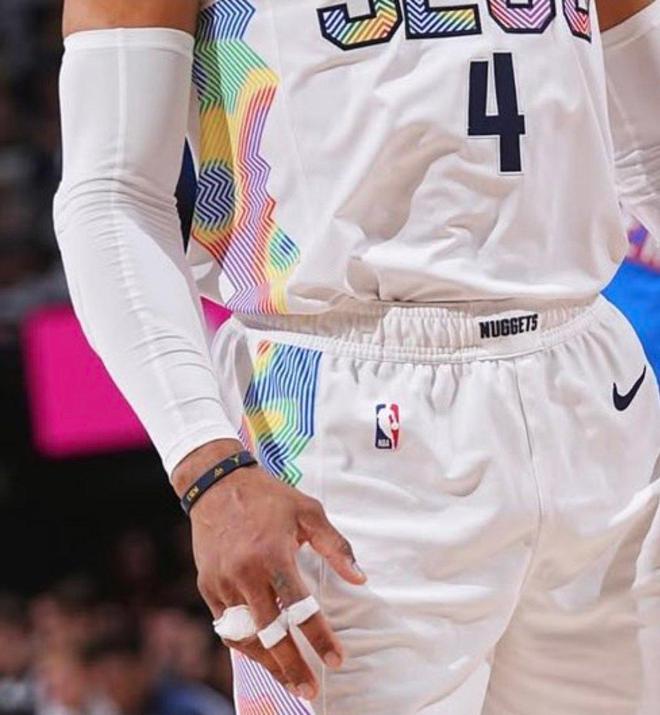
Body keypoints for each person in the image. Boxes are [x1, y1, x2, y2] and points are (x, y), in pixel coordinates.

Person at [53, 0, 660, 712]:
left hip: (592, 381)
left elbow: (648, 143)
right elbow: (111, 194)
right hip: (337, 405)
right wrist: (206, 466)